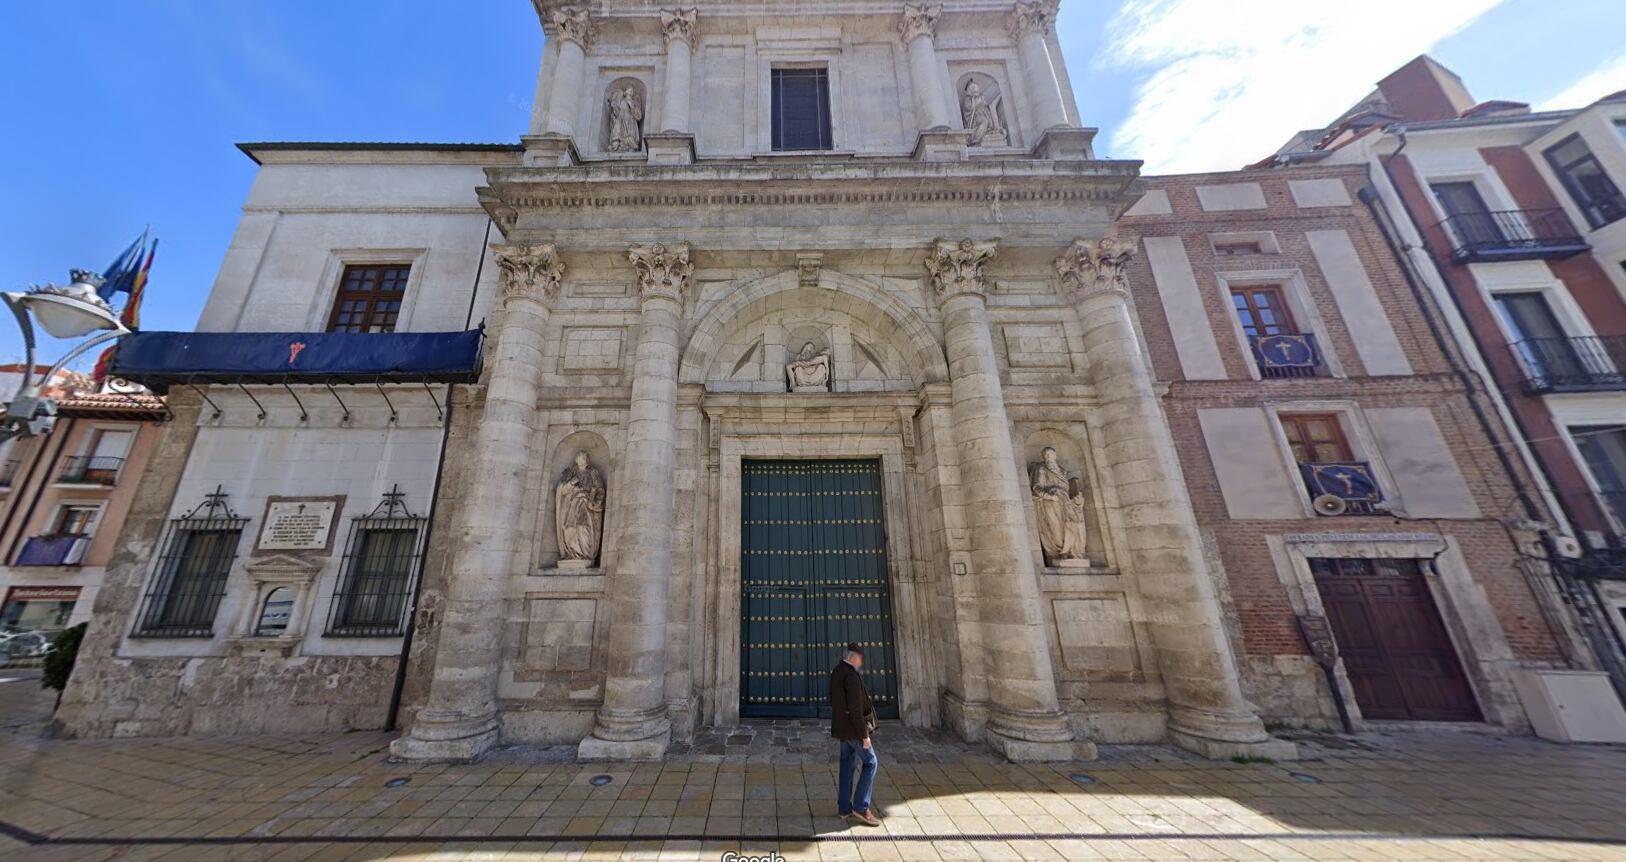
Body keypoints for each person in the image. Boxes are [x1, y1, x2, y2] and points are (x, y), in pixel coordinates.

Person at [830, 642, 880, 826]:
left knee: (847, 766)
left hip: (842, 729)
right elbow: (855, 709)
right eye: (860, 658)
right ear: (854, 657)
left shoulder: (837, 671)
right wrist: (864, 736)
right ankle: (861, 806)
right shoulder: (851, 676)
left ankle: (844, 808)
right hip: (853, 731)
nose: (861, 662)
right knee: (871, 762)